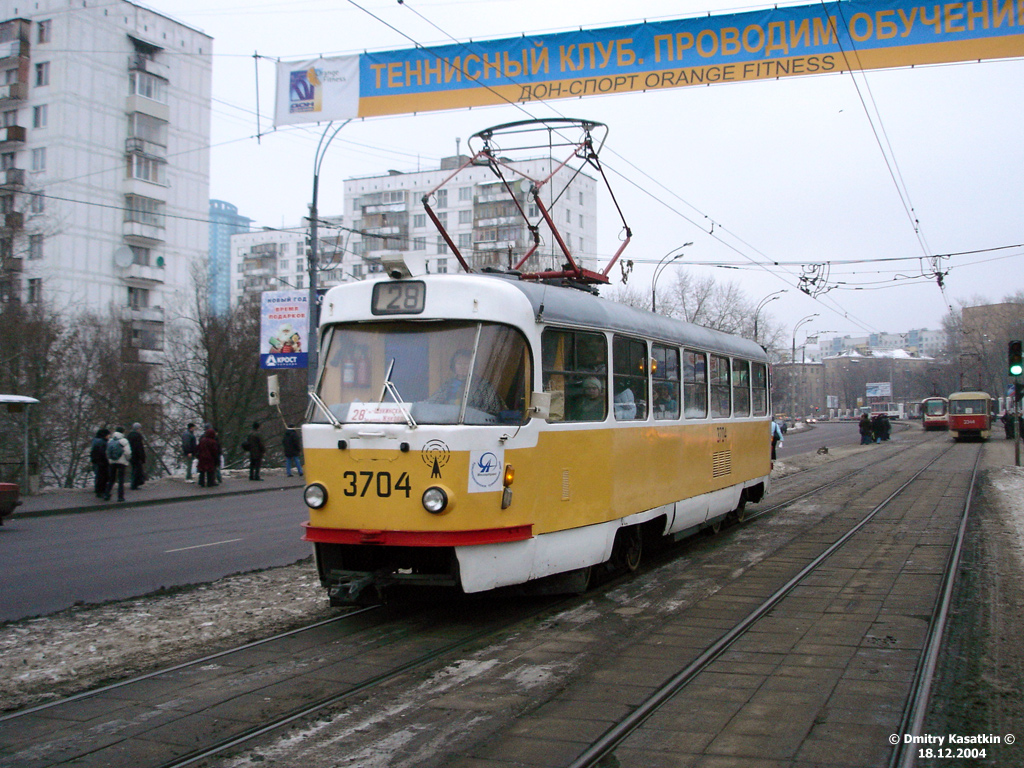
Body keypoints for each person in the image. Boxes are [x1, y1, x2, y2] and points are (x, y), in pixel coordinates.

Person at [429, 349, 505, 415]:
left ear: (473, 366)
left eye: (466, 364)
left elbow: (495, 409)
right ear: (454, 366)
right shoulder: (447, 385)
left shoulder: (483, 385)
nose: (462, 366)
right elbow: (432, 402)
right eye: (459, 364)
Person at [105, 426, 132, 502]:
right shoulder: (124, 441)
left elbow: (107, 452)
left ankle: (106, 494)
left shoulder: (110, 441)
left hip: (112, 462)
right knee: (121, 480)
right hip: (121, 462)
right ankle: (120, 497)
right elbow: (128, 452)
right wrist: (127, 460)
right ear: (123, 432)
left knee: (111, 479)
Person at [90, 428, 111, 498]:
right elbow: (103, 453)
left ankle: (98, 490)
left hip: (97, 461)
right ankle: (101, 491)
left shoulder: (95, 441)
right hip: (102, 462)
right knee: (103, 477)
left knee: (99, 476)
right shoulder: (102, 442)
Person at [126, 423, 147, 489]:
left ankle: (134, 484)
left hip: (131, 455)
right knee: (137, 470)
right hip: (137, 456)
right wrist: (142, 457)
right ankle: (134, 485)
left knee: (133, 470)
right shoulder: (138, 436)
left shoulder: (129, 435)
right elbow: (139, 447)